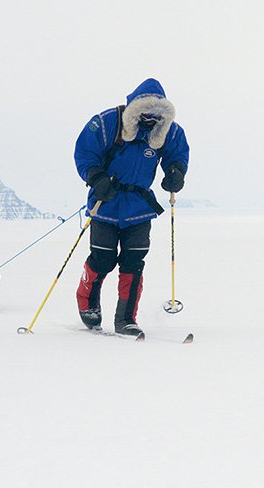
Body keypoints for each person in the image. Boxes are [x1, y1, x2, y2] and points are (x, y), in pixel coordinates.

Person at [73, 78, 189, 336]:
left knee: (133, 262)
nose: (152, 118)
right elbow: (85, 152)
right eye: (147, 111)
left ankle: (126, 319)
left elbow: (178, 153)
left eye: (158, 113)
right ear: (136, 107)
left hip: (139, 208)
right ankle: (87, 302)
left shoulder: (169, 130)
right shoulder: (107, 122)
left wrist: (176, 171)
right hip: (105, 203)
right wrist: (96, 177)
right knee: (102, 259)